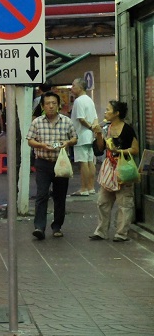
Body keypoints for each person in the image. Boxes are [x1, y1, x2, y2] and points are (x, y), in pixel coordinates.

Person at [26, 91, 77, 240]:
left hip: (61, 163)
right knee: (42, 195)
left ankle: (57, 226)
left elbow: (75, 138)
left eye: (54, 103)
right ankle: (39, 227)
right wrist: (42, 145)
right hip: (43, 162)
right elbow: (30, 140)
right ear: (42, 106)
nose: (51, 106)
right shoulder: (37, 122)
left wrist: (67, 143)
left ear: (58, 105)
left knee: (59, 196)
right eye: (47, 103)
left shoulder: (66, 121)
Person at [89, 100, 140, 242]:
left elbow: (135, 149)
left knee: (124, 203)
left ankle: (121, 233)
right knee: (102, 201)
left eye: (108, 110)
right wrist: (99, 135)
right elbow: (100, 149)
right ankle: (101, 231)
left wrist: (120, 151)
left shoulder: (127, 129)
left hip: (123, 168)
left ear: (117, 113)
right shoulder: (105, 128)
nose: (105, 112)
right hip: (109, 168)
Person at [70, 78, 98, 196]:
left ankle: (83, 188)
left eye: (73, 85)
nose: (72, 88)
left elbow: (81, 119)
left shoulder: (79, 101)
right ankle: (91, 187)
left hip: (81, 134)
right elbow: (95, 118)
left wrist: (90, 127)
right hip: (90, 136)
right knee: (90, 161)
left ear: (80, 87)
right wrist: (94, 129)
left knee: (83, 163)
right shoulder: (89, 100)